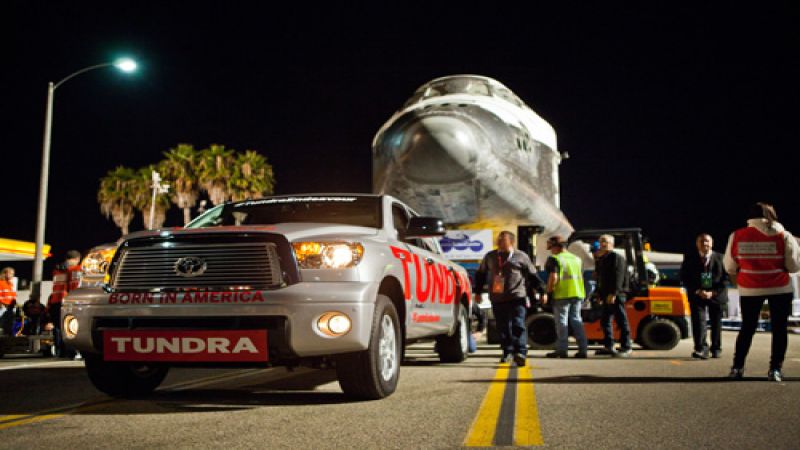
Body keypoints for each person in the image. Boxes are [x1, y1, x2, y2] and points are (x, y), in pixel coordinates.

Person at [724, 202, 800, 381]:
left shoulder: (737, 235)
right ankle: (775, 369)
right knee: (779, 330)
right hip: (780, 287)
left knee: (747, 328)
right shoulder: (784, 235)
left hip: (750, 288)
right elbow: (794, 265)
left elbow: (729, 266)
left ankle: (738, 367)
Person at [475, 231, 541, 366]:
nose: (498, 242)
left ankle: (520, 352)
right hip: (497, 298)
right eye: (498, 240)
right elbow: (481, 274)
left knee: (518, 324)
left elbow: (533, 275)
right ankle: (507, 352)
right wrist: (477, 292)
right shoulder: (490, 256)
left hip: (517, 296)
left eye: (502, 240)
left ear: (511, 242)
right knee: (503, 327)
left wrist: (542, 291)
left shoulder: (521, 256)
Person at [680, 233, 728, 359]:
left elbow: (725, 279)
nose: (704, 244)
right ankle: (701, 348)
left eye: (707, 241)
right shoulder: (690, 258)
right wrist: (697, 290)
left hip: (716, 295)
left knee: (716, 323)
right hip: (697, 295)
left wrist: (713, 292)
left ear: (712, 243)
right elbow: (684, 277)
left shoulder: (721, 258)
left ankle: (716, 348)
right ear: (697, 244)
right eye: (701, 241)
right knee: (698, 323)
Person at [542, 236, 588, 359]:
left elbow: (554, 277)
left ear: (556, 246)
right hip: (578, 293)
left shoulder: (555, 259)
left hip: (562, 294)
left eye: (551, 247)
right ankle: (583, 349)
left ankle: (562, 350)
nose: (550, 250)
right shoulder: (577, 259)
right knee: (577, 321)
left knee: (561, 323)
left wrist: (548, 292)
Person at [594, 234, 632, 357]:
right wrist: (599, 294)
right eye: (600, 241)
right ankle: (609, 345)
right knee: (605, 320)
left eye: (604, 241)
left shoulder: (616, 257)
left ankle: (626, 346)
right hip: (606, 294)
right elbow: (600, 278)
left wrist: (614, 293)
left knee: (621, 319)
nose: (601, 244)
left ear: (611, 243)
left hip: (616, 294)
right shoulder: (602, 259)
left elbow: (618, 276)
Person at [48, 250, 83, 358]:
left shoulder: (57, 269)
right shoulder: (76, 269)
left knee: (59, 328)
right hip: (68, 301)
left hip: (55, 301)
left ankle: (61, 352)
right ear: (77, 259)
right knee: (70, 328)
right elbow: (74, 286)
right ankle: (71, 352)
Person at [0, 267, 17, 336]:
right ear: (5, 273)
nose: (12, 275)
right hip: (3, 307)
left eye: (13, 274)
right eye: (11, 273)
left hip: (10, 308)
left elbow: (12, 296)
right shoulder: (1, 283)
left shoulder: (10, 284)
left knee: (9, 325)